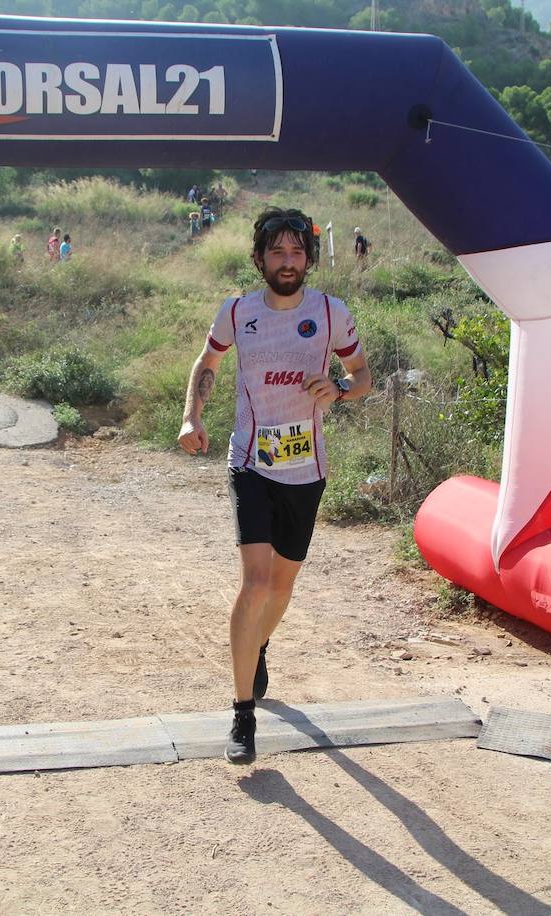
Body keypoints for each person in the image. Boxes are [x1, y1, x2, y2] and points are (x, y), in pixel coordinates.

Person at [177, 207, 371, 765]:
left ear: (308, 258)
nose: (288, 263)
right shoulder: (238, 312)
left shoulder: (331, 313)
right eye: (277, 253)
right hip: (251, 461)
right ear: (259, 258)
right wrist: (193, 416)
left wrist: (337, 387)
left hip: (306, 468)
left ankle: (258, 645)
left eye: (297, 253)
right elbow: (206, 362)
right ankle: (242, 715)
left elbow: (363, 378)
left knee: (282, 588)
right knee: (256, 581)